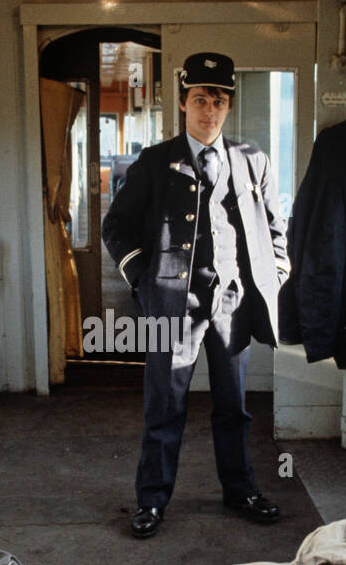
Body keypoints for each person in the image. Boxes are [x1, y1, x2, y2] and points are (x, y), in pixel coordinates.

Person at [101, 52, 289, 539]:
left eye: (219, 100)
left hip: (232, 301)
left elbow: (274, 227)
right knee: (166, 404)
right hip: (171, 306)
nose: (210, 109)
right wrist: (142, 280)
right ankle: (152, 500)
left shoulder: (253, 161)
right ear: (184, 102)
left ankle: (240, 489)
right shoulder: (154, 163)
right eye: (200, 98)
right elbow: (115, 226)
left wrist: (276, 273)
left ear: (229, 107)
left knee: (234, 405)